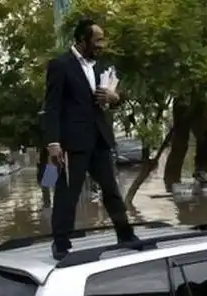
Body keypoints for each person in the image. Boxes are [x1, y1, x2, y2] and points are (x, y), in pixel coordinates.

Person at [43, 18, 136, 260]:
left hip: (99, 139)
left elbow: (116, 97)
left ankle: (126, 235)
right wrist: (53, 143)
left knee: (111, 190)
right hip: (72, 142)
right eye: (97, 40)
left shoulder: (101, 66)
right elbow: (51, 107)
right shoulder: (60, 65)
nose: (102, 45)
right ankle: (61, 243)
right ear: (82, 40)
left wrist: (115, 98)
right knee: (68, 194)